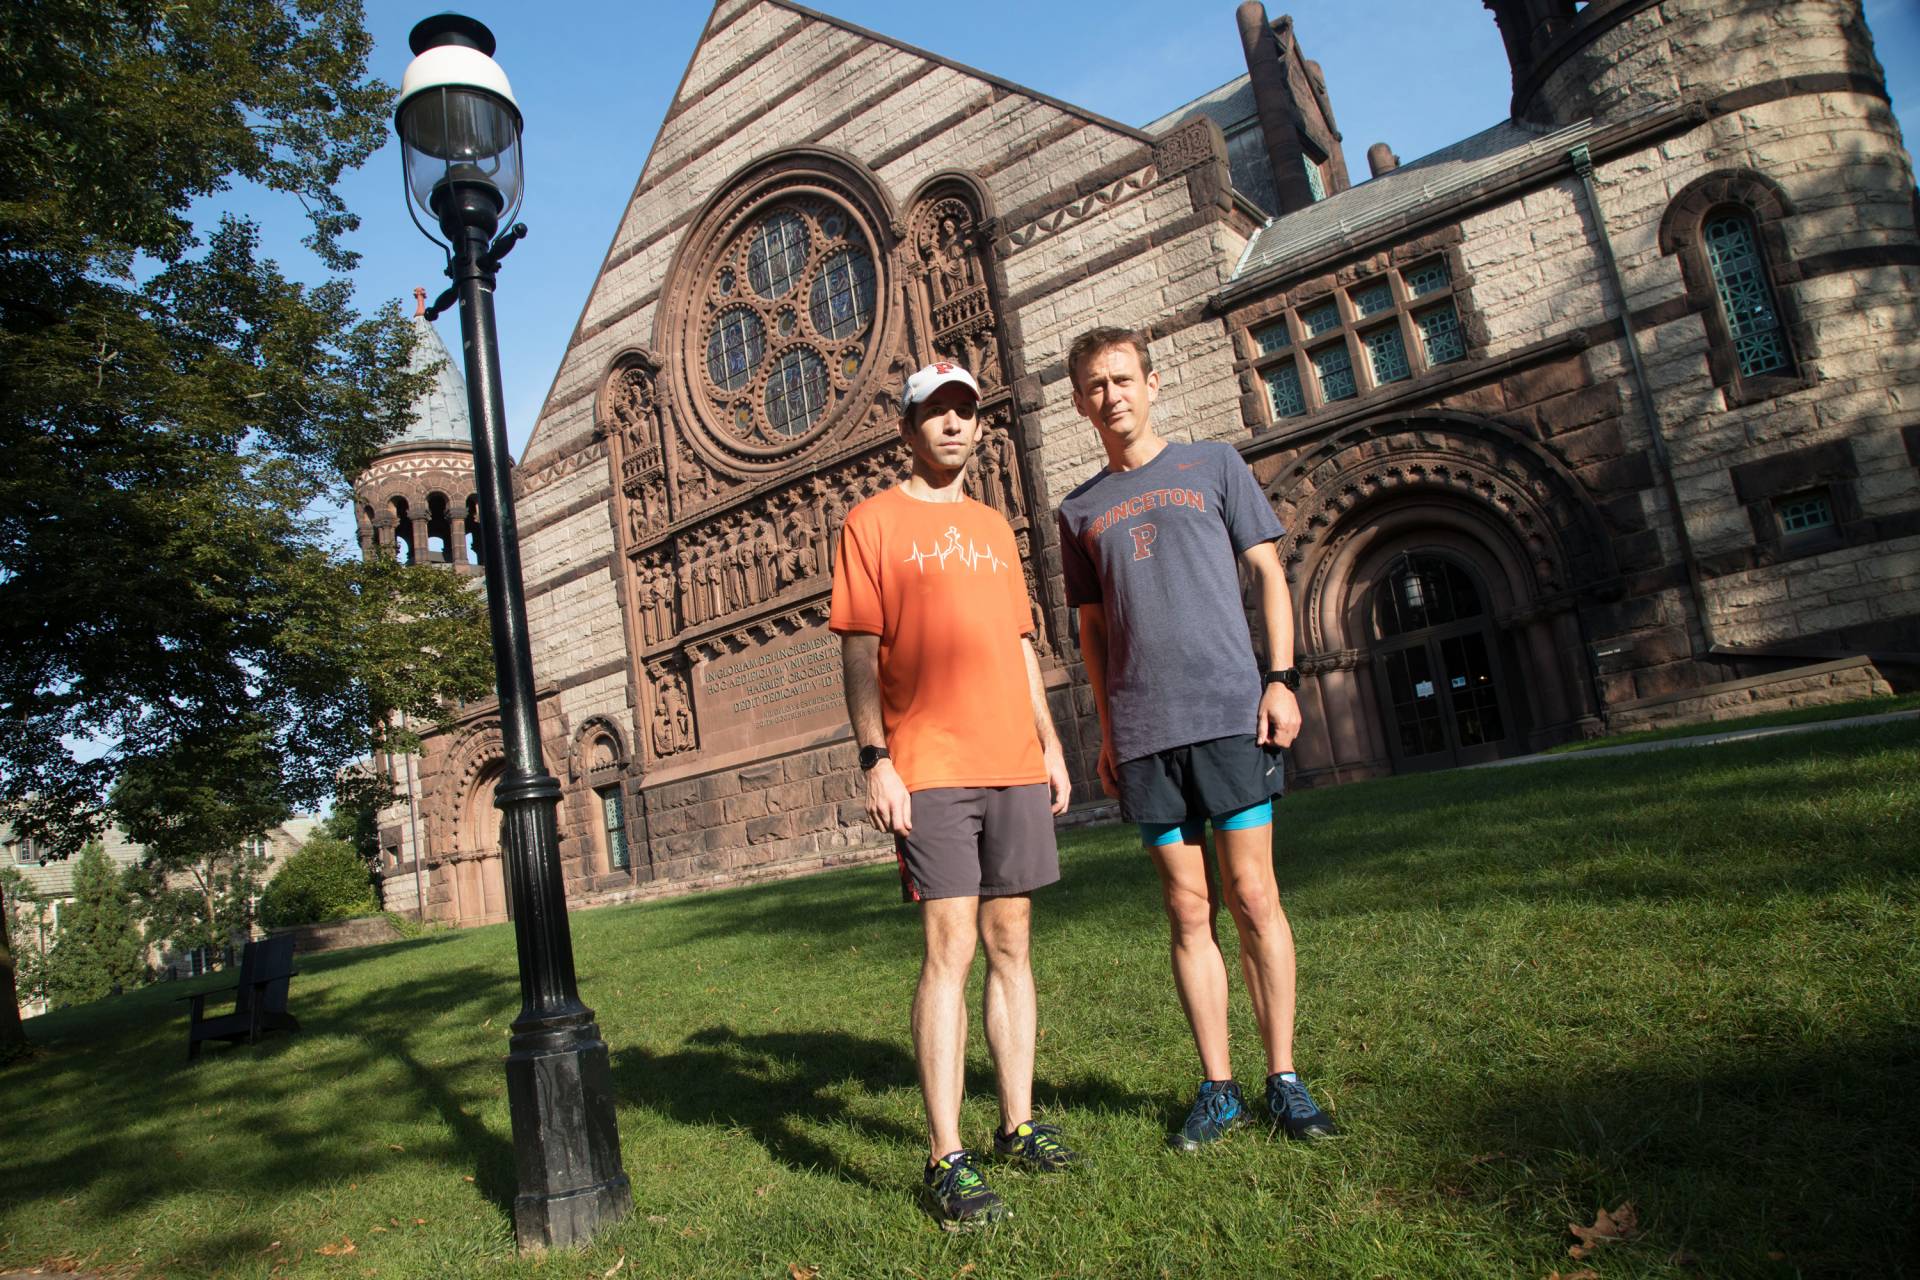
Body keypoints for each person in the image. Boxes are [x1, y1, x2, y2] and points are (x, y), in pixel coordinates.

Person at [1054, 326, 1337, 1151]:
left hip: (1227, 715)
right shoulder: (1079, 511)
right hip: (1146, 732)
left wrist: (1280, 679)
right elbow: (1095, 633)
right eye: (1096, 386)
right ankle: (1219, 1087)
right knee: (1187, 908)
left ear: (1152, 383)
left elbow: (1268, 575)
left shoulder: (1214, 465)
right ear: (1080, 405)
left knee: (1254, 897)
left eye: (1123, 378)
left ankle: (1283, 1078)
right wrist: (1108, 731)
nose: (1112, 396)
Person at [830, 361, 1078, 1227]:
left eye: (964, 412)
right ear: (907, 429)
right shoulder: (872, 523)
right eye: (934, 412)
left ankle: (1017, 1122)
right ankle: (947, 1155)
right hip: (928, 764)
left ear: (979, 428)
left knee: (1012, 939)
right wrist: (875, 759)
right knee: (951, 948)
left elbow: (1017, 646)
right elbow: (859, 651)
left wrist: (1050, 745)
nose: (951, 425)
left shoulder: (993, 527)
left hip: (1012, 759)